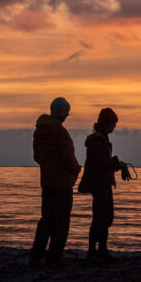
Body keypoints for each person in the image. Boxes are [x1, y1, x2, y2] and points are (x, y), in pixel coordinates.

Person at [30, 97, 81, 267]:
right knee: (61, 223)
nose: (67, 116)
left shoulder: (40, 131)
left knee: (46, 220)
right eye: (66, 113)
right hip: (62, 184)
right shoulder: (60, 132)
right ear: (63, 113)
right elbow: (68, 158)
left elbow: (37, 156)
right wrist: (76, 169)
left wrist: (49, 165)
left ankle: (37, 255)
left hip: (47, 183)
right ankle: (54, 256)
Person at [78, 107, 131, 264]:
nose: (115, 127)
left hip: (103, 183)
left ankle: (100, 249)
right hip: (100, 184)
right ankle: (94, 251)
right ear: (108, 123)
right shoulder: (97, 140)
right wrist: (118, 164)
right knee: (101, 218)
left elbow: (102, 163)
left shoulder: (101, 139)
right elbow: (101, 163)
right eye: (114, 124)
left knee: (105, 217)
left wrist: (117, 165)